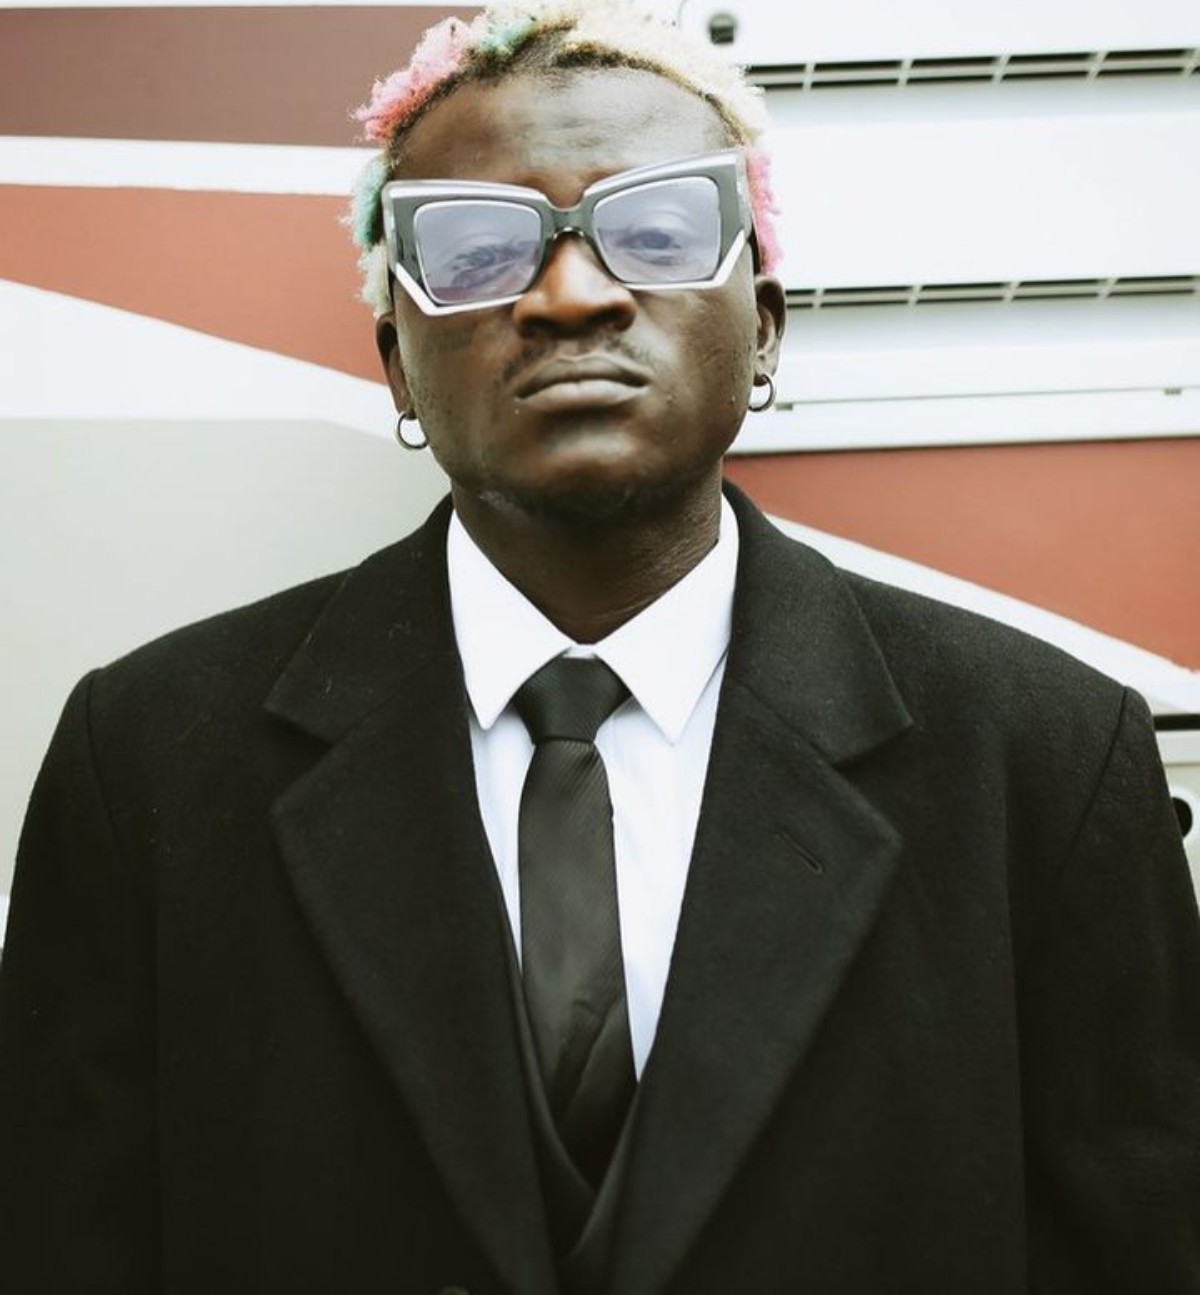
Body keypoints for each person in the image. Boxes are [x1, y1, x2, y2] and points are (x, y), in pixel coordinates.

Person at [2, 2, 1198, 1292]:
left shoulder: (1049, 758)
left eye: (659, 234)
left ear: (766, 327)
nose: (572, 296)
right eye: (478, 250)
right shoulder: (151, 759)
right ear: (398, 363)